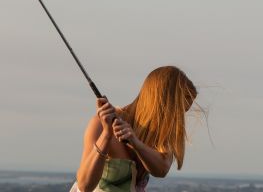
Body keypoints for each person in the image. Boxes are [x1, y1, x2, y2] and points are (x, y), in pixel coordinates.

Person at [70, 66, 198, 192]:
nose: (179, 118)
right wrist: (107, 135)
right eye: (178, 111)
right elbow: (84, 186)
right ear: (161, 104)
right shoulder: (99, 124)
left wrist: (136, 143)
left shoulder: (161, 135)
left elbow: (161, 170)